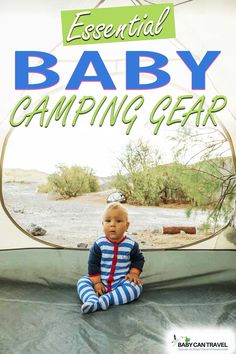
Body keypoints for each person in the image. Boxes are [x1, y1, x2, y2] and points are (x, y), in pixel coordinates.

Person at [77, 202, 145, 314]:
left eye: (118, 221)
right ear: (102, 224)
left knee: (136, 287)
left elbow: (139, 259)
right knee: (82, 282)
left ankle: (106, 299)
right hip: (100, 280)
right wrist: (97, 283)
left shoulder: (131, 245)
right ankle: (91, 300)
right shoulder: (99, 244)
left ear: (127, 226)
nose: (112, 225)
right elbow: (93, 264)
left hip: (121, 282)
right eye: (108, 221)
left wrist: (134, 273)